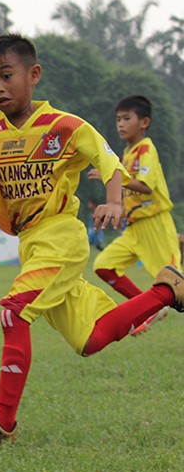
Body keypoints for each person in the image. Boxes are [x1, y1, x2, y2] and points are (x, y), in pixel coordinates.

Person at [0, 34, 184, 445]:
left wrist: (114, 201)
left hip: (61, 237)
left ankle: (2, 424)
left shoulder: (65, 126)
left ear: (33, 75)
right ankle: (167, 289)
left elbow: (107, 159)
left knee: (14, 313)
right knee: (89, 339)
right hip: (32, 242)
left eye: (6, 75)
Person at [89, 94, 179, 333]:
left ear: (144, 123)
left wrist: (116, 176)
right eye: (118, 119)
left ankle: (153, 308)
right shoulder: (127, 154)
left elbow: (146, 186)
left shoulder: (146, 149)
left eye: (127, 118)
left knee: (175, 284)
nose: (120, 124)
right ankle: (150, 309)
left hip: (154, 225)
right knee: (103, 265)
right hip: (133, 228)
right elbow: (128, 189)